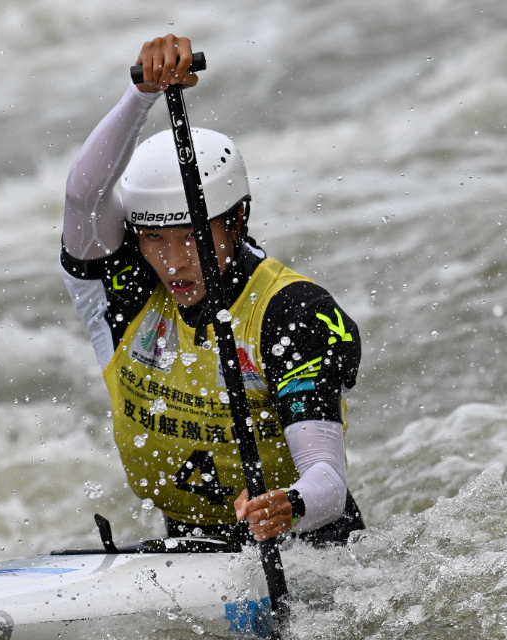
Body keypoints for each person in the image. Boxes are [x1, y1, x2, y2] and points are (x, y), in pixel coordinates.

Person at [60, 34, 365, 546]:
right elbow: (82, 195)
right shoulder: (124, 290)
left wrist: (286, 506)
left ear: (238, 220)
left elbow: (327, 479)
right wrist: (141, 94)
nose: (174, 262)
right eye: (154, 238)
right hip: (187, 544)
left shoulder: (292, 313)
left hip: (304, 547)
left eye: (192, 237)